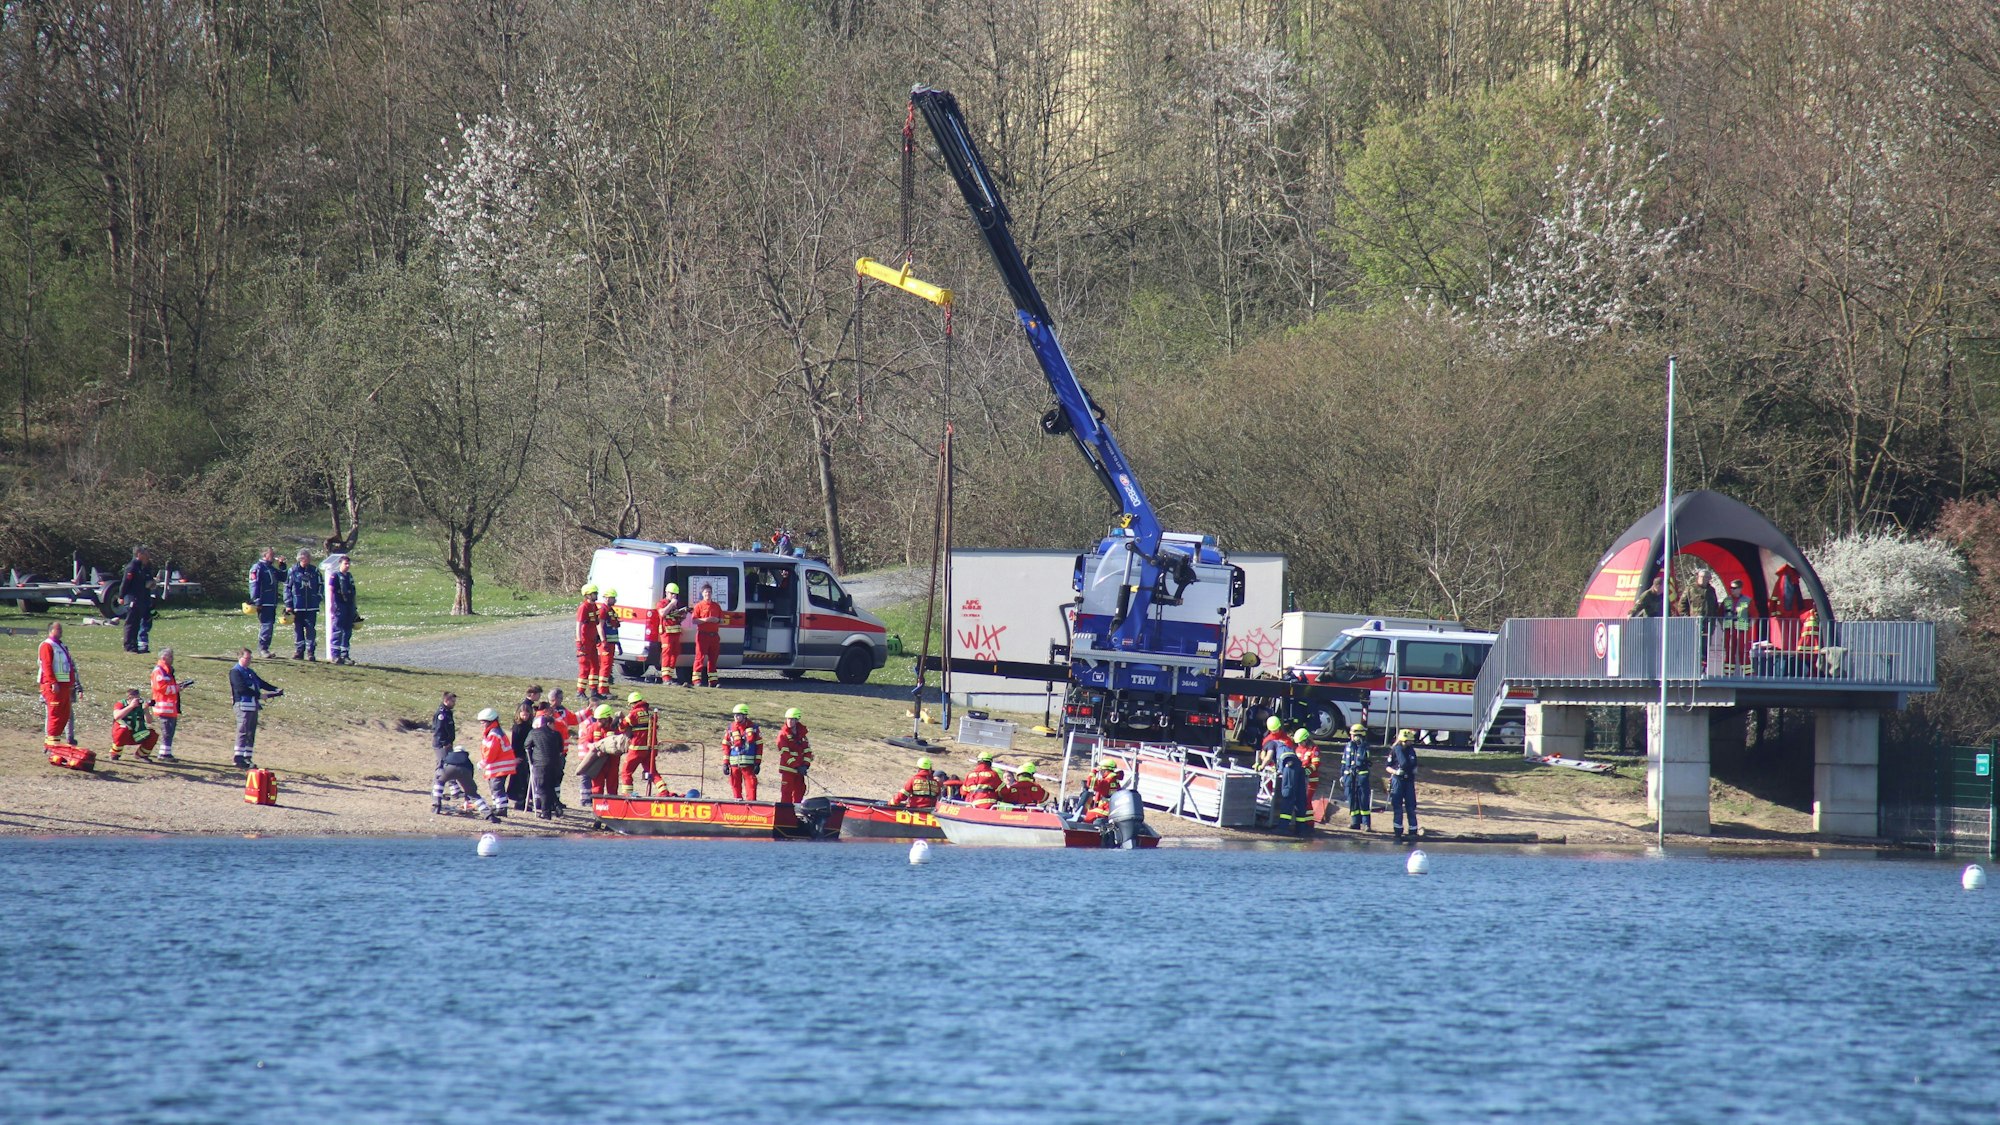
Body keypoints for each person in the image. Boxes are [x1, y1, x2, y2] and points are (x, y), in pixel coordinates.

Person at [228, 649, 282, 768]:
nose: (249, 661)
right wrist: (259, 695)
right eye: (247, 658)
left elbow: (261, 683)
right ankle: (238, 757)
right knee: (243, 731)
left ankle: (248, 757)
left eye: (250, 659)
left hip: (253, 706)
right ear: (240, 658)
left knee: (251, 732)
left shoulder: (250, 672)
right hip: (242, 705)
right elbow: (240, 688)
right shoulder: (235, 672)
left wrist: (275, 689)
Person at [37, 622, 80, 746]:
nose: (61, 631)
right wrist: (52, 682)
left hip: (65, 686)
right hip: (53, 686)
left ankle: (56, 740)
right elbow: (47, 665)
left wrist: (72, 683)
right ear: (51, 630)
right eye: (58, 629)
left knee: (65, 714)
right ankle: (51, 743)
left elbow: (69, 665)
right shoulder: (47, 645)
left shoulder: (61, 645)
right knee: (54, 714)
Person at [433, 743, 496, 821]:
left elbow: (442, 768)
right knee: (473, 794)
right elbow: (470, 778)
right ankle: (489, 815)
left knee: (439, 783)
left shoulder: (449, 756)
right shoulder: (467, 761)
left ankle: (436, 805)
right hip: (464, 771)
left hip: (448, 769)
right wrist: (467, 798)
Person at [577, 704, 625, 806]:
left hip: (612, 763)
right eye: (597, 719)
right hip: (598, 764)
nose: (598, 722)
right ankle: (597, 815)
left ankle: (612, 811)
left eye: (600, 720)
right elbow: (585, 741)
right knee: (597, 788)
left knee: (612, 789)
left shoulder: (616, 728)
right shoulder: (594, 727)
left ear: (607, 718)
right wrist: (590, 745)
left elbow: (623, 741)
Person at [525, 703, 566, 818]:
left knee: (542, 788)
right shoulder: (556, 734)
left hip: (539, 764)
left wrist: (532, 757)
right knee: (550, 787)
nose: (555, 726)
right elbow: (561, 749)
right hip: (555, 764)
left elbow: (526, 745)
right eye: (554, 724)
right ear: (548, 723)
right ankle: (556, 806)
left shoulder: (534, 733)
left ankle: (546, 813)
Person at [149, 649, 189, 762]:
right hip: (163, 707)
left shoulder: (167, 671)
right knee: (166, 731)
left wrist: (179, 686)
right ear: (164, 658)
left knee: (169, 732)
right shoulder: (159, 671)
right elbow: (161, 688)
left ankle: (166, 752)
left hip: (170, 707)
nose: (173, 659)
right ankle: (164, 754)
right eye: (171, 657)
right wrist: (177, 688)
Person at [118, 545, 158, 653]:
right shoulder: (132, 567)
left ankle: (135, 645)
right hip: (132, 598)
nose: (148, 556)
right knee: (131, 623)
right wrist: (121, 596)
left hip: (141, 599)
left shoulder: (145, 567)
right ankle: (129, 646)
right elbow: (125, 583)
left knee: (137, 623)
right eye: (145, 554)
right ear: (139, 554)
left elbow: (147, 580)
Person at [285, 549, 323, 660]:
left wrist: (318, 598)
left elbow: (321, 585)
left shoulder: (315, 571)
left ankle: (311, 652)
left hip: (311, 606)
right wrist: (288, 603)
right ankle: (299, 651)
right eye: (305, 558)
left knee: (311, 629)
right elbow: (287, 588)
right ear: (300, 559)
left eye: (308, 557)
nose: (307, 560)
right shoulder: (293, 571)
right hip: (297, 606)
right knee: (298, 628)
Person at [619, 692, 660, 796]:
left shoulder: (633, 713)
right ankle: (664, 791)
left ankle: (627, 794)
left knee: (626, 771)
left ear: (633, 703)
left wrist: (619, 721)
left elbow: (622, 727)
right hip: (651, 748)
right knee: (652, 771)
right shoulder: (651, 713)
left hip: (637, 748)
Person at [477, 707, 515, 816]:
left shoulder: (494, 734)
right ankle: (497, 806)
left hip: (500, 766)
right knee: (494, 786)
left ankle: (501, 809)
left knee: (497, 787)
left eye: (483, 722)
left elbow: (491, 752)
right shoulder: (493, 732)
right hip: (498, 766)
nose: (481, 724)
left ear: (490, 721)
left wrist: (483, 762)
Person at [688, 584, 725, 687]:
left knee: (713, 658)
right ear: (702, 594)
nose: (707, 594)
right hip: (702, 635)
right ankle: (696, 680)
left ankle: (713, 681)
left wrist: (716, 620)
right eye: (706, 592)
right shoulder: (699, 606)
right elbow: (694, 620)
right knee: (699, 657)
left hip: (714, 636)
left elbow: (722, 620)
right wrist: (706, 620)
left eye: (709, 592)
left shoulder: (716, 606)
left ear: (711, 593)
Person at [723, 704, 763, 800]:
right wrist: (725, 764)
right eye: (735, 715)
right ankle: (737, 803)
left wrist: (757, 763)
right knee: (735, 784)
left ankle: (751, 804)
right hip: (734, 764)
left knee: (751, 785)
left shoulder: (754, 728)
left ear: (745, 715)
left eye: (738, 715)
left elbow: (759, 746)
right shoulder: (730, 729)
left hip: (748, 765)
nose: (736, 717)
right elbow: (725, 746)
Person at [1386, 728, 1420, 841]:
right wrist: (1395, 772)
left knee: (1411, 806)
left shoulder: (1411, 750)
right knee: (1397, 806)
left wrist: (1415, 769)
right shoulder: (1395, 750)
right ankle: (1398, 831)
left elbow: (1413, 763)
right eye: (1407, 741)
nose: (1409, 743)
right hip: (1398, 780)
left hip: (1409, 780)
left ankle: (1413, 830)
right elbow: (1388, 767)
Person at [109, 688, 159, 761]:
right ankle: (115, 754)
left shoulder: (140, 706)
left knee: (153, 735)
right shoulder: (121, 704)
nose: (138, 700)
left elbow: (149, 721)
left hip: (136, 733)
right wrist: (130, 706)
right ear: (129, 697)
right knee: (122, 730)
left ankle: (141, 754)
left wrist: (146, 710)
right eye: (136, 698)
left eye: (138, 697)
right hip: (122, 733)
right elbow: (116, 716)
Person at [249, 548, 282, 657]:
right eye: (271, 554)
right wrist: (256, 600)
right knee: (266, 625)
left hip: (272, 602)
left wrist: (282, 565)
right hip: (263, 602)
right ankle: (262, 648)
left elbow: (283, 577)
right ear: (265, 555)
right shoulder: (258, 567)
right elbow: (254, 584)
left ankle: (266, 648)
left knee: (270, 625)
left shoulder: (271, 568)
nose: (273, 556)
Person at [1340, 724, 1373, 831]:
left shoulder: (1364, 747)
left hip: (1361, 776)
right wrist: (1342, 776)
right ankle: (1355, 822)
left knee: (1363, 799)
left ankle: (1366, 824)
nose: (1351, 737)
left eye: (1354, 735)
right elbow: (1344, 762)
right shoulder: (1348, 746)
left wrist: (1361, 745)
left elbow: (1363, 758)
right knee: (1352, 798)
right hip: (1349, 776)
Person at [776, 707, 812, 803]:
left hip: (800, 770)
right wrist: (796, 765)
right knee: (786, 792)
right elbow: (785, 753)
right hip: (788, 770)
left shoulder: (802, 735)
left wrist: (805, 765)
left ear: (797, 720)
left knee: (800, 791)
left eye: (792, 719)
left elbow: (808, 751)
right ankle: (785, 813)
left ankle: (797, 811)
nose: (789, 721)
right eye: (788, 719)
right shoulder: (782, 735)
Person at [1274, 746, 1311, 836]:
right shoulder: (1285, 747)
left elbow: (1267, 757)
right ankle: (1300, 829)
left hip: (1290, 766)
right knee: (1300, 799)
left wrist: (1261, 765)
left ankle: (1283, 828)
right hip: (1299, 767)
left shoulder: (1269, 744)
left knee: (1288, 796)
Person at [1722, 577, 1755, 675]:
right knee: (1729, 651)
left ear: (1740, 589)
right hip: (1729, 630)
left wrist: (1750, 626)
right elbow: (1719, 614)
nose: (1731, 589)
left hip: (1742, 631)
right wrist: (1722, 625)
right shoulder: (1726, 600)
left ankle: (1748, 674)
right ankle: (1728, 674)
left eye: (1734, 588)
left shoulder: (1748, 600)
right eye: (1730, 588)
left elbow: (1754, 615)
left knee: (1743, 651)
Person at [574, 584, 602, 698]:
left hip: (592, 641)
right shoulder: (583, 607)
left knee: (595, 665)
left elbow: (597, 622)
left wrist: (598, 636)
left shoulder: (594, 606)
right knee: (584, 667)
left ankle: (594, 690)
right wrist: (579, 642)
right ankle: (580, 691)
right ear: (588, 595)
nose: (596, 595)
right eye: (594, 593)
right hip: (584, 642)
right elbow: (579, 625)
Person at [329, 556, 359, 665]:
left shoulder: (349, 576)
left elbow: (354, 592)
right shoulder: (335, 576)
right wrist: (332, 605)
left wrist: (355, 607)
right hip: (339, 605)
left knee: (347, 631)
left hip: (349, 606)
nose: (347, 566)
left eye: (348, 564)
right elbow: (331, 590)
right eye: (345, 563)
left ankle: (345, 655)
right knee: (337, 629)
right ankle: (335, 655)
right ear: (340, 564)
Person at [657, 584, 686, 687]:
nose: (674, 596)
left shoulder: (677, 604)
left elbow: (679, 618)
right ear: (667, 593)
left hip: (676, 632)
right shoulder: (662, 603)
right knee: (667, 653)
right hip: (666, 633)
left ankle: (670, 675)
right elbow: (662, 613)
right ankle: (665, 678)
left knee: (675, 653)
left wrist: (682, 614)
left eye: (676, 594)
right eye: (672, 593)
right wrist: (671, 604)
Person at [508, 702, 535, 811]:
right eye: (523, 715)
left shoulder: (529, 726)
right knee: (519, 779)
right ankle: (519, 801)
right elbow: (514, 744)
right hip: (519, 755)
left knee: (526, 778)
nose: (525, 717)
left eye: (527, 715)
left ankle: (525, 800)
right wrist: (514, 757)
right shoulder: (517, 727)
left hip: (527, 755)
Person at [596, 589, 622, 699]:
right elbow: (599, 626)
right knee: (605, 666)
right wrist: (603, 641)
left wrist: (618, 644)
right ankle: (602, 691)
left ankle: (606, 690)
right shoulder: (603, 610)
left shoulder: (610, 610)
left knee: (608, 667)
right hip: (605, 644)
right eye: (613, 598)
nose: (614, 600)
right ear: (607, 598)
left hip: (611, 643)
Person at [1293, 728, 1321, 806]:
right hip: (1300, 778)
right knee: (1299, 800)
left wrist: (1306, 771)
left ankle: (1309, 818)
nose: (1299, 744)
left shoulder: (1314, 749)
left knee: (1307, 800)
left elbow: (1316, 764)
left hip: (1311, 779)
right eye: (1298, 743)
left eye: (1301, 742)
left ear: (1306, 740)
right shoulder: (1297, 749)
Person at [431, 692, 458, 767]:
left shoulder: (448, 712)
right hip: (442, 744)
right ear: (446, 700)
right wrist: (444, 743)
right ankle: (438, 778)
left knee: (449, 763)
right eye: (452, 701)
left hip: (448, 743)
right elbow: (439, 730)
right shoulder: (441, 714)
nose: (454, 703)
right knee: (442, 763)